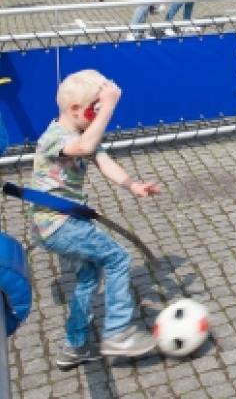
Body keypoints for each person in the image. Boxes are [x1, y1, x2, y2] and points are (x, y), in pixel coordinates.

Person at [32, 70, 160, 369]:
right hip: (58, 223)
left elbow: (103, 160)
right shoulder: (55, 137)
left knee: (89, 275)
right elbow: (86, 148)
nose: (100, 117)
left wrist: (133, 185)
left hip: (63, 222)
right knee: (117, 258)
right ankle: (118, 332)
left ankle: (74, 346)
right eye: (96, 111)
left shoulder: (81, 133)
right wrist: (110, 107)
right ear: (76, 110)